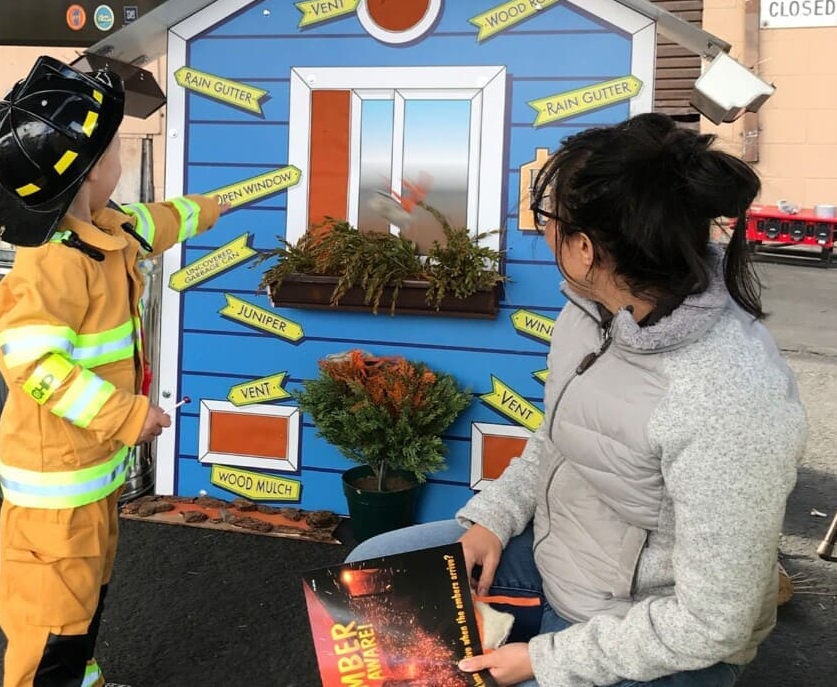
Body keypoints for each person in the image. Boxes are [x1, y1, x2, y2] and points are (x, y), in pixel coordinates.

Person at [346, 113, 808, 687]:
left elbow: (717, 623)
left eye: (549, 221)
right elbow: (560, 438)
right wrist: (492, 520)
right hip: (556, 556)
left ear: (585, 248)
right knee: (368, 580)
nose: (543, 234)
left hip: (647, 625)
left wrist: (544, 659)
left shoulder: (727, 398)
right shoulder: (590, 311)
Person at [0, 56, 223, 687]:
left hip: (88, 474)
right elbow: (31, 360)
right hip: (56, 489)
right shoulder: (54, 265)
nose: (120, 154)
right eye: (113, 146)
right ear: (86, 174)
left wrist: (213, 206)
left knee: (82, 601)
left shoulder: (100, 228)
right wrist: (125, 414)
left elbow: (153, 223)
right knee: (50, 619)